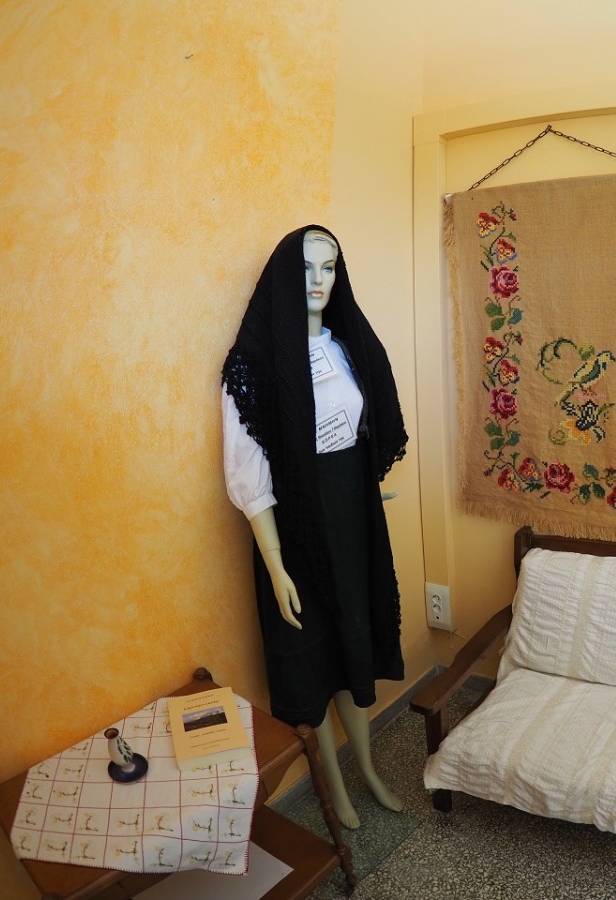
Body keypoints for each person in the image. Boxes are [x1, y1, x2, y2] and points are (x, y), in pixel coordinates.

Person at [220, 225, 407, 828]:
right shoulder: (254, 365)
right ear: (283, 275)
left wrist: (363, 491)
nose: (318, 280)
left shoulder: (347, 347)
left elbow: (363, 429)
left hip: (354, 520)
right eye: (305, 267)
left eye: (329, 267)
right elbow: (247, 469)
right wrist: (275, 564)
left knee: (354, 638)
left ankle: (368, 768)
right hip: (295, 529)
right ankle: (339, 787)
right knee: (316, 654)